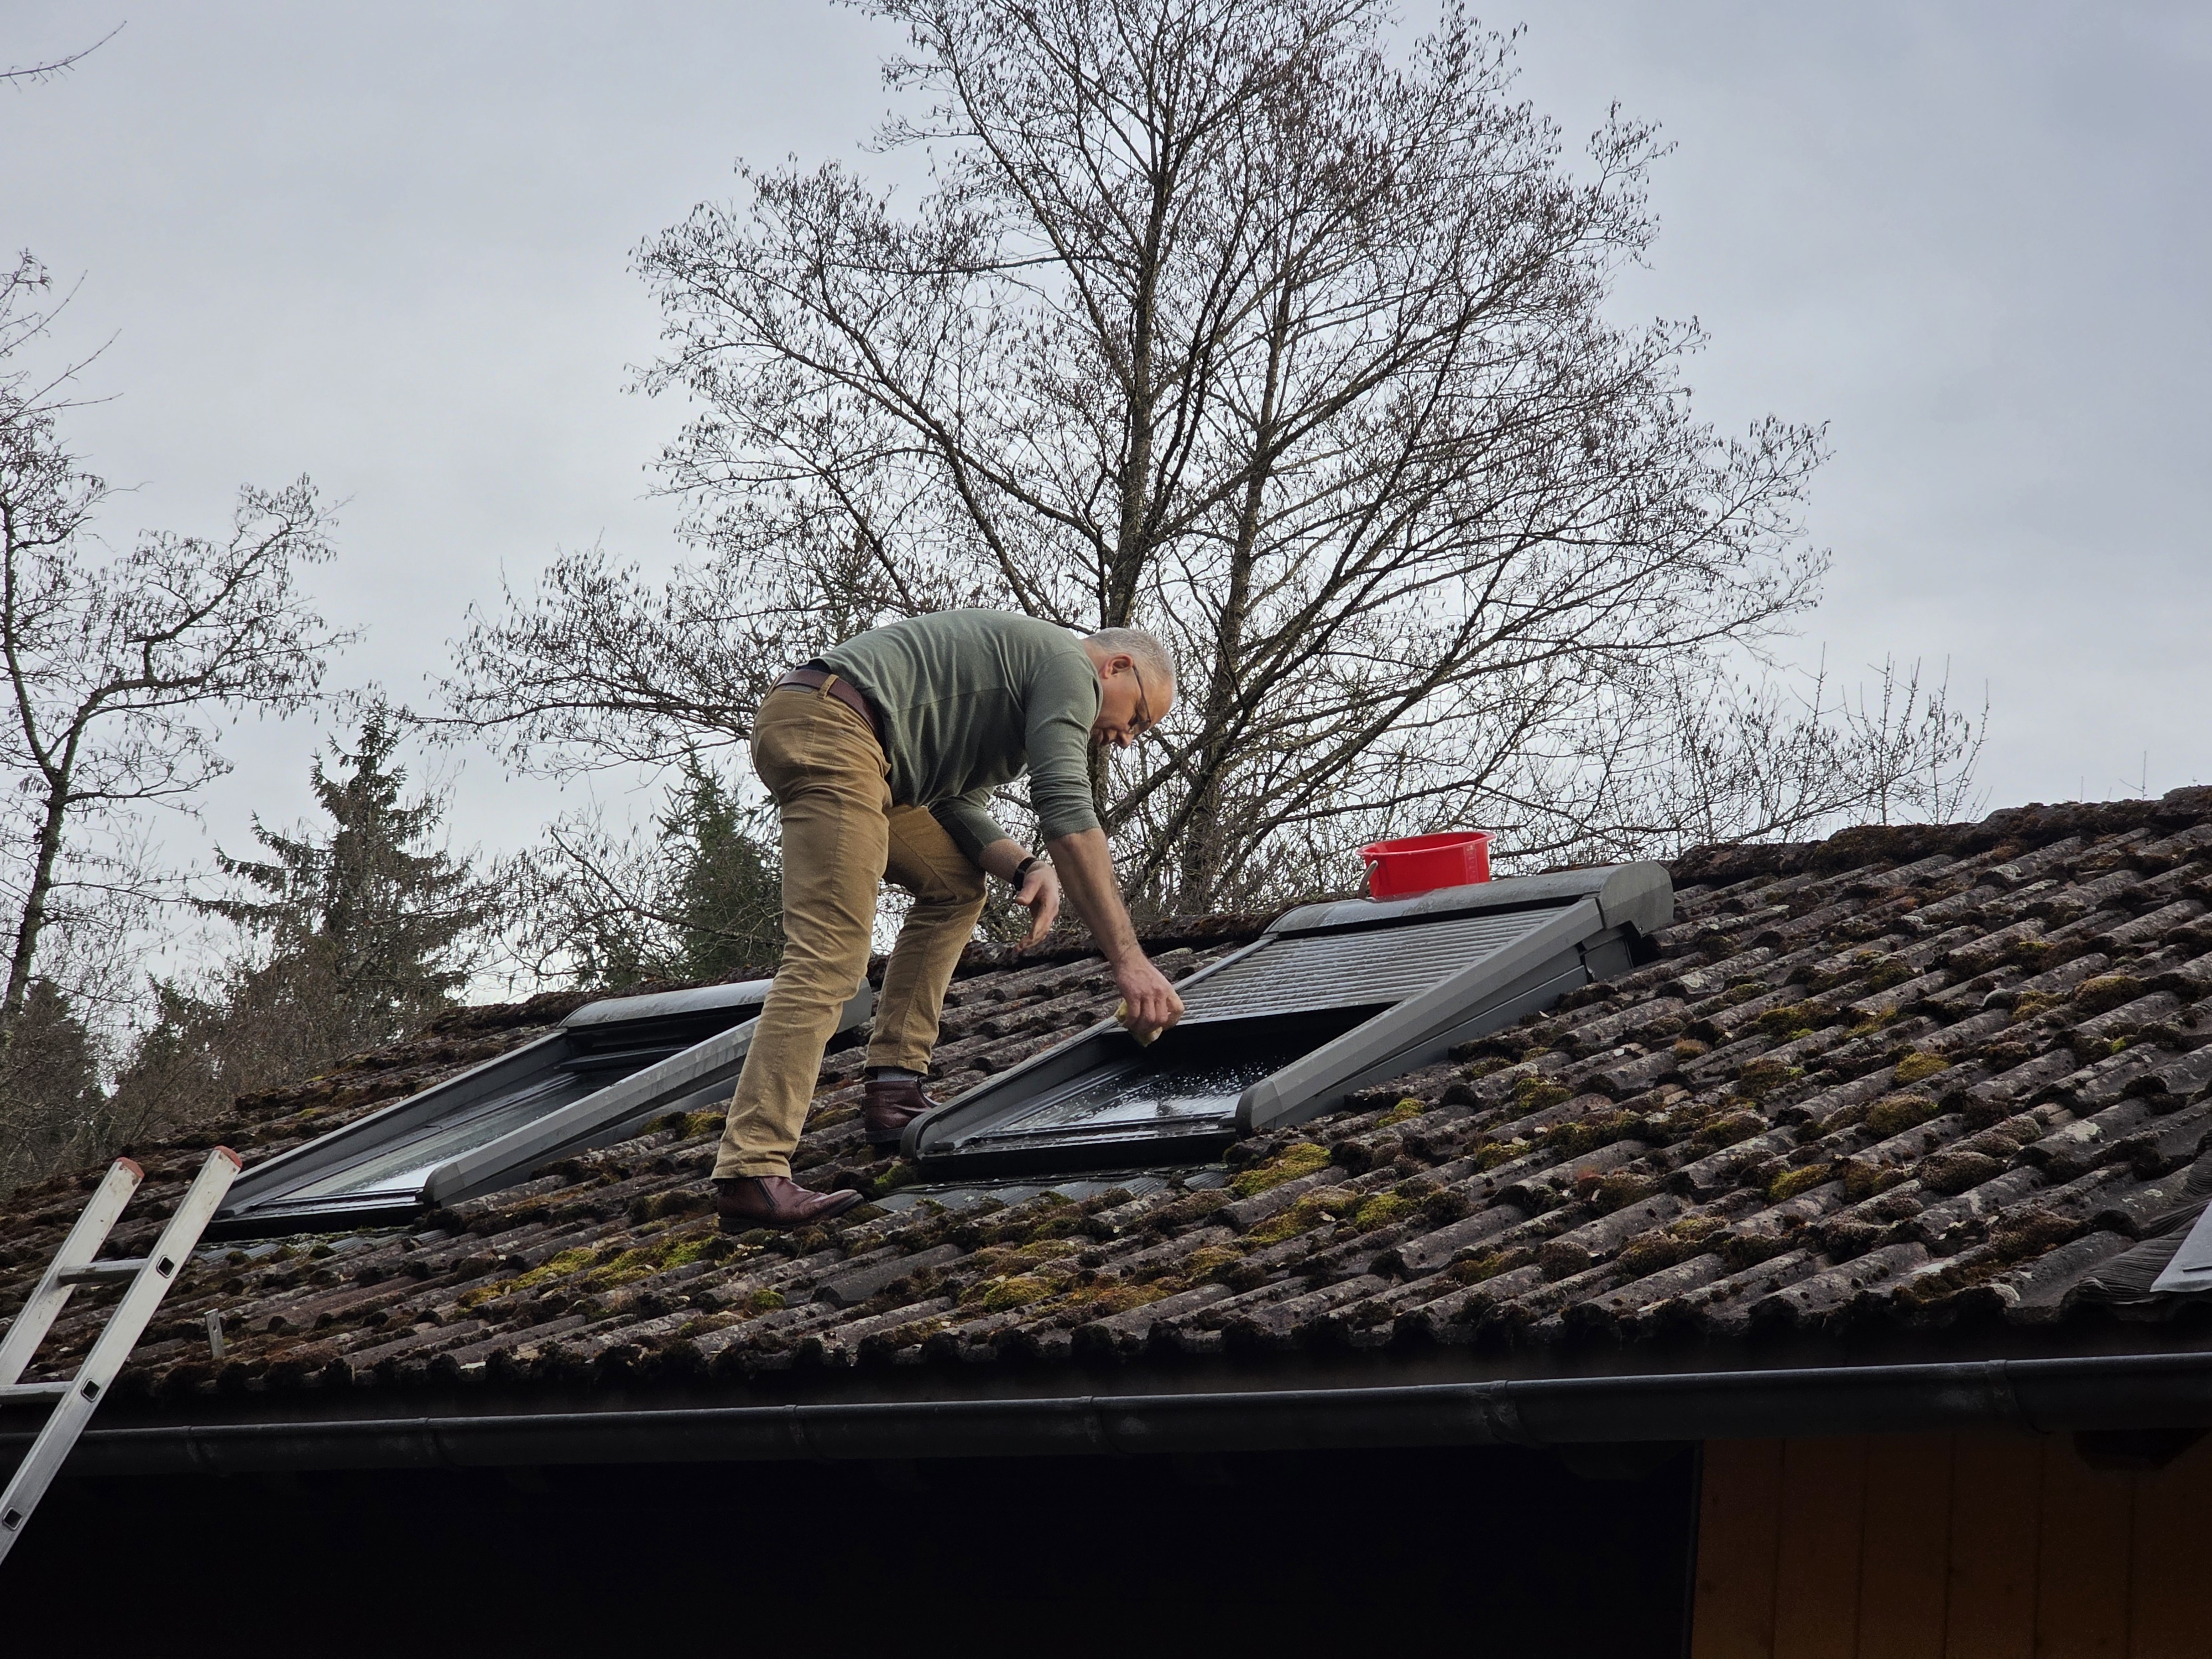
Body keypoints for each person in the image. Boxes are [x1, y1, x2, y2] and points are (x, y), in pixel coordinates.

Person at [711, 609, 1187, 1229]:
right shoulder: (1069, 667)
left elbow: (954, 805)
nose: (1126, 739)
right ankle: (751, 1169)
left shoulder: (1022, 696)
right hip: (836, 728)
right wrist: (1129, 962)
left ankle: (895, 1089)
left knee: (955, 889)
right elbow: (1067, 810)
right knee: (829, 957)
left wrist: (1024, 867)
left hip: (868, 753)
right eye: (1139, 718)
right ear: (1116, 667)